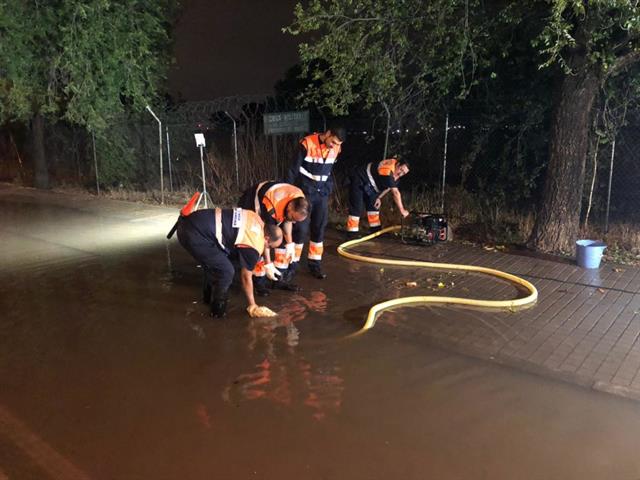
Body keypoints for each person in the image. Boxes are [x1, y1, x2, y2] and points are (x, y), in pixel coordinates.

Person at [175, 199, 282, 318]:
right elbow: (246, 277)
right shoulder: (255, 243)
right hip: (194, 234)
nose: (268, 249)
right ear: (266, 239)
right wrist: (253, 305)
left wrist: (268, 264)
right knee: (226, 271)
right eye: (270, 246)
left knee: (217, 264)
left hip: (192, 221)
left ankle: (207, 299)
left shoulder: (256, 218)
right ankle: (217, 312)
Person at [287, 126, 346, 279]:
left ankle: (315, 264)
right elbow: (292, 170)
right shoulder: (307, 143)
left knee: (319, 228)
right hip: (304, 192)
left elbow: (329, 169)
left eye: (338, 144)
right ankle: (292, 264)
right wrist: (288, 194)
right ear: (327, 133)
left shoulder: (337, 148)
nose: (334, 146)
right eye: (333, 141)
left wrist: (328, 188)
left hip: (321, 194)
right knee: (300, 229)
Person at [238, 181, 309, 293]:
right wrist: (268, 264)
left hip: (274, 201)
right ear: (290, 206)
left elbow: (287, 220)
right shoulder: (271, 207)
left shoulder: (298, 198)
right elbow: (266, 237)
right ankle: (258, 281)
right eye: (293, 218)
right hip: (252, 201)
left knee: (280, 235)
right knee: (257, 240)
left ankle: (277, 281)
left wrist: (290, 243)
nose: (294, 222)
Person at [346, 158, 410, 238]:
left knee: (374, 208)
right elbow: (396, 193)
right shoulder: (387, 169)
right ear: (397, 164)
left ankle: (376, 231)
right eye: (401, 170)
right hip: (360, 179)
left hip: (371, 187)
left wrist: (379, 197)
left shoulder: (395, 174)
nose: (400, 174)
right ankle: (352, 233)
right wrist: (402, 210)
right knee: (357, 207)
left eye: (404, 173)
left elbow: (388, 187)